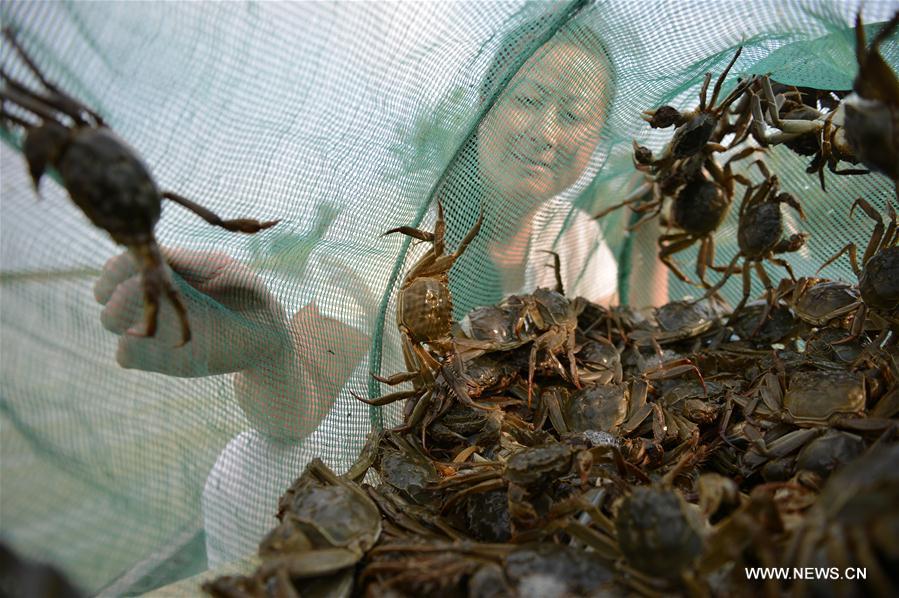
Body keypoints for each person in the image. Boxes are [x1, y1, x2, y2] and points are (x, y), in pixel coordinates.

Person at [94, 14, 664, 568]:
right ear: (485, 106)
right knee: (273, 485)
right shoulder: (394, 220)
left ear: (597, 137)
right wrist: (266, 351)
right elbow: (304, 397)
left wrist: (650, 239)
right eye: (528, 99)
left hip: (463, 500)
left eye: (573, 112)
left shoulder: (578, 241)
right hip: (322, 490)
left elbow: (631, 357)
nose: (545, 131)